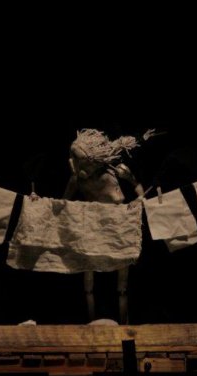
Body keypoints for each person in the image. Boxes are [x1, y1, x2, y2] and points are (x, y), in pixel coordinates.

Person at [62, 128, 152, 324]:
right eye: (75, 160)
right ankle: (92, 320)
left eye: (81, 161)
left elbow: (139, 189)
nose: (75, 164)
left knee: (122, 280)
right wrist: (39, 201)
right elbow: (63, 202)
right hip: (93, 224)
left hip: (119, 223)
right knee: (89, 277)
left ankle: (124, 323)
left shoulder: (116, 171)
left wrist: (138, 195)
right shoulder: (77, 179)